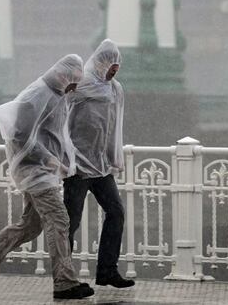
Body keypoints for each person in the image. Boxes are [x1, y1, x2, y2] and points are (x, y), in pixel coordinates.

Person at [0, 54, 94, 300]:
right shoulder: (38, 95)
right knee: (59, 219)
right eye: (73, 81)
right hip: (35, 172)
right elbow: (20, 134)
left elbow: (53, 133)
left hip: (41, 171)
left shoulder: (56, 94)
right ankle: (64, 282)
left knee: (32, 225)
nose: (75, 87)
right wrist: (47, 159)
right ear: (62, 74)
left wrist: (62, 161)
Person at [63, 39, 135, 289]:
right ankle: (65, 277)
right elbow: (59, 112)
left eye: (117, 68)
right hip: (78, 166)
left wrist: (114, 157)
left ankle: (107, 271)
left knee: (115, 212)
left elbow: (114, 126)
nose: (114, 71)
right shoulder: (80, 85)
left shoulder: (115, 89)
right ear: (100, 62)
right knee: (70, 222)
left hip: (101, 165)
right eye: (111, 66)